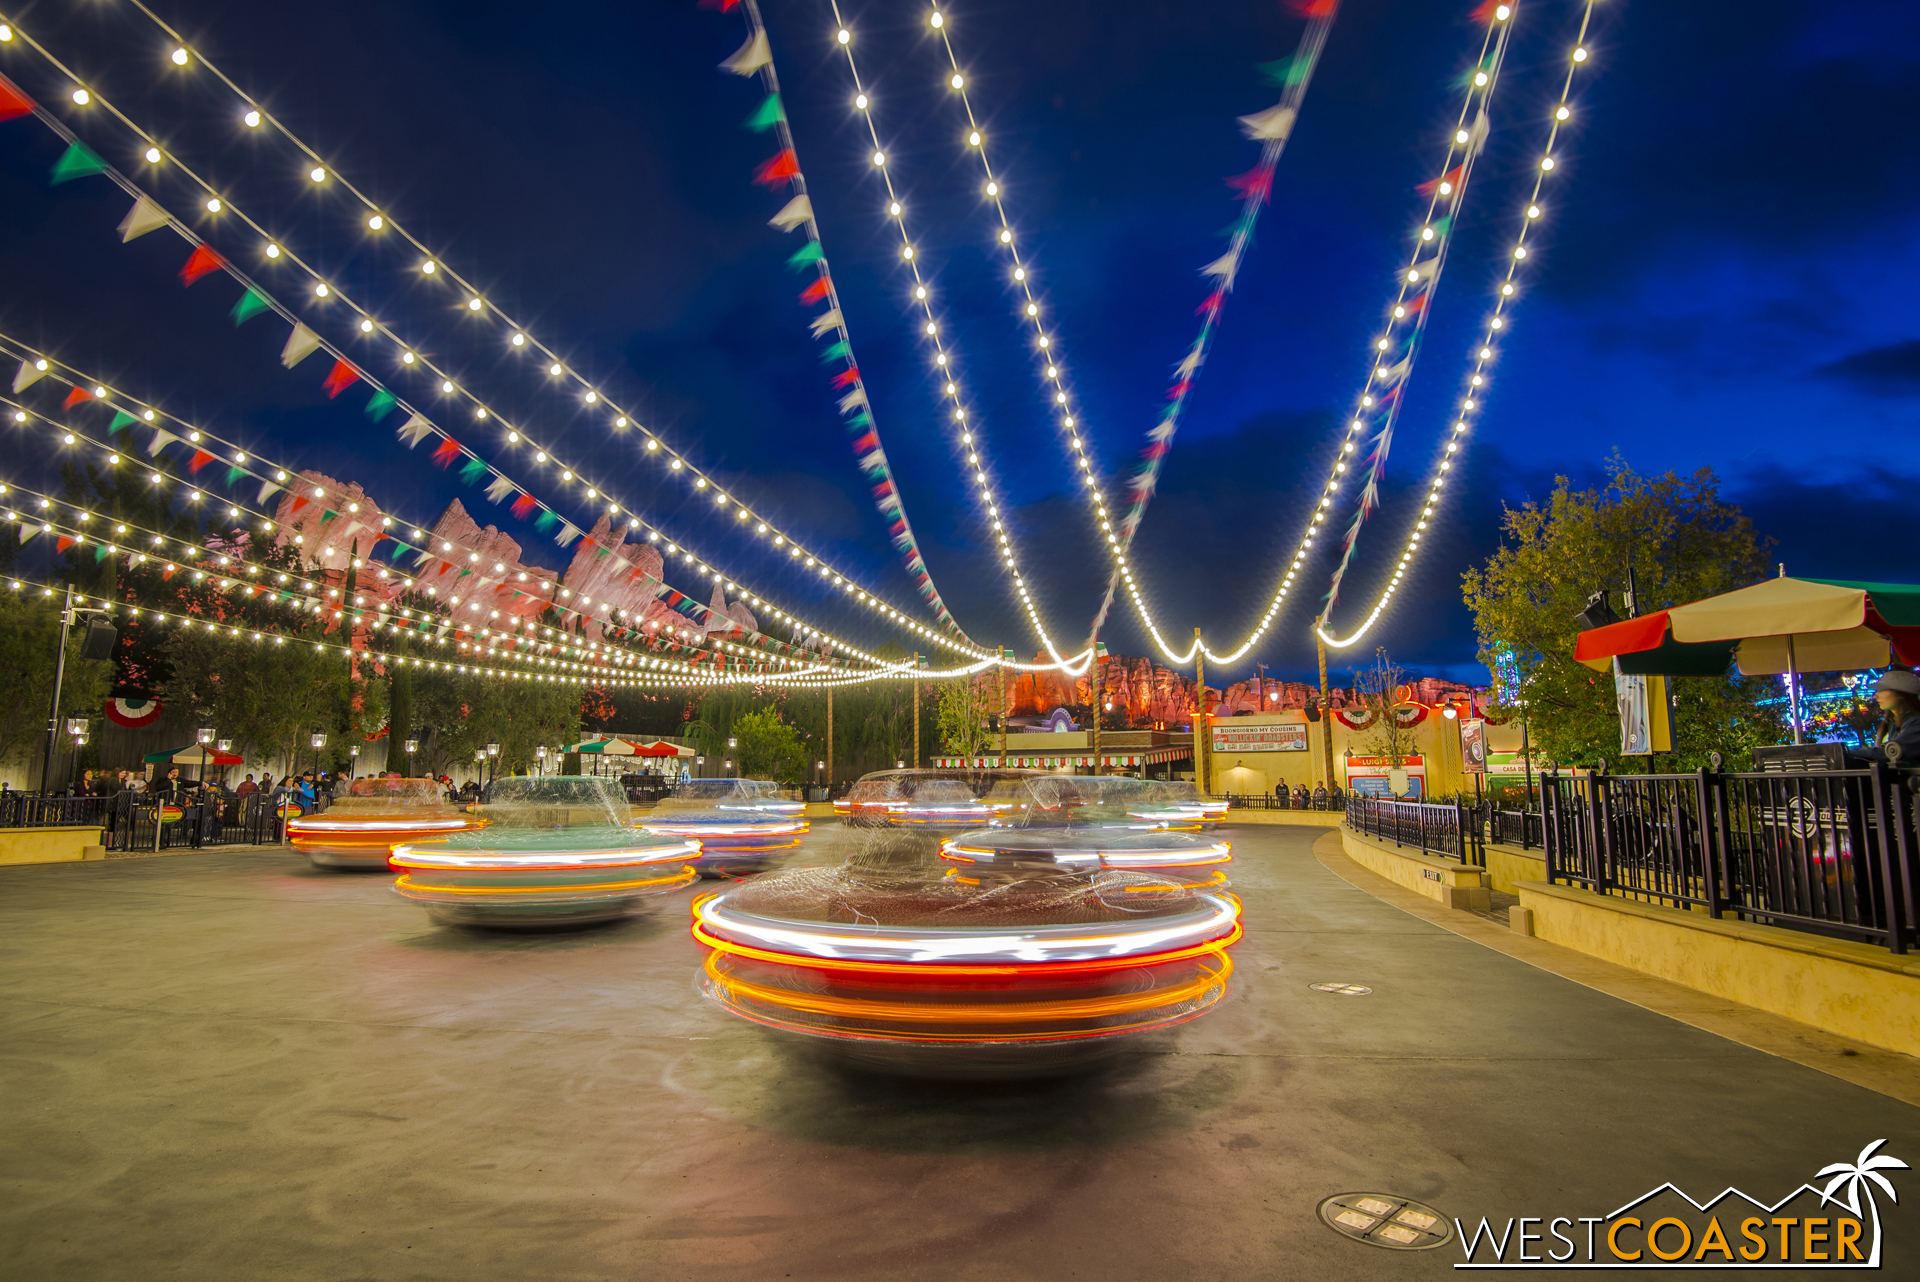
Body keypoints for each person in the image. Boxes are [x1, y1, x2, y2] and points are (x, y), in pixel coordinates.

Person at [1853, 670, 1920, 765]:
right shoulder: (1894, 722)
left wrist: (1848, 752)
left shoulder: (1916, 723)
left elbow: (1889, 752)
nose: (1875, 696)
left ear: (1901, 694)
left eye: (1881, 690)